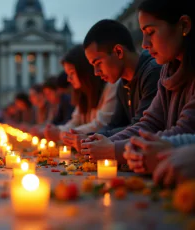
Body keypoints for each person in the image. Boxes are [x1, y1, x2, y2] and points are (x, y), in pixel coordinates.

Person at [81, 0, 195, 165]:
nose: (144, 44)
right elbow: (150, 122)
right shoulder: (167, 71)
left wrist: (112, 149)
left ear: (184, 26)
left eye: (151, 32)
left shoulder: (154, 70)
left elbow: (185, 130)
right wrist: (104, 142)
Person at [63, 19, 161, 152]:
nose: (96, 73)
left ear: (119, 52)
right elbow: (115, 124)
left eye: (98, 63)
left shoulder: (153, 72)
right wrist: (91, 138)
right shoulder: (122, 84)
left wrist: (93, 140)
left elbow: (143, 126)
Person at [44, 45, 118, 142]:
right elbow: (75, 121)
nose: (69, 79)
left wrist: (61, 133)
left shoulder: (111, 86)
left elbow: (101, 124)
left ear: (84, 71)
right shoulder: (83, 94)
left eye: (72, 73)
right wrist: (58, 130)